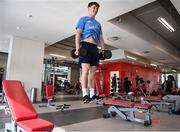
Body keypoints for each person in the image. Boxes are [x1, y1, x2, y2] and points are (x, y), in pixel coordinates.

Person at [75, 2, 105, 103]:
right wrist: (77, 48)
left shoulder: (98, 24)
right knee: (86, 70)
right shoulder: (83, 19)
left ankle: (92, 95)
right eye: (94, 7)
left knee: (93, 72)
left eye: (97, 8)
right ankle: (84, 94)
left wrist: (103, 50)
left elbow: (101, 38)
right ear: (88, 8)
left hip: (94, 48)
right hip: (85, 46)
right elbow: (78, 34)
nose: (95, 10)